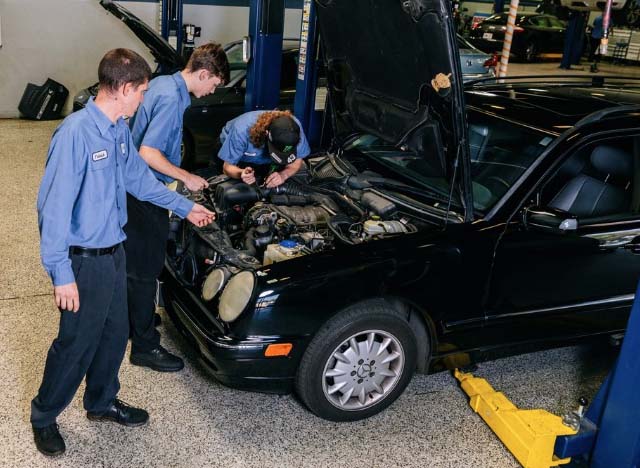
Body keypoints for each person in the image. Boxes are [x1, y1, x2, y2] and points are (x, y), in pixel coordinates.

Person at [31, 48, 215, 457]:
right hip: (83, 261)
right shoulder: (76, 134)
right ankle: (44, 415)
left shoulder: (118, 131)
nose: (144, 100)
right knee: (76, 343)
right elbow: (53, 208)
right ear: (124, 88)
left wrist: (186, 206)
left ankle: (100, 402)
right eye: (142, 92)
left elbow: (138, 180)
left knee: (115, 335)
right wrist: (61, 273)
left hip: (115, 253)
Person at [126, 43, 229, 372]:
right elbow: (149, 153)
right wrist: (188, 177)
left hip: (134, 185)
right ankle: (144, 346)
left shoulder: (163, 83)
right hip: (143, 190)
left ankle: (136, 319)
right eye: (214, 84)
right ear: (203, 73)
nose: (213, 91)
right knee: (147, 265)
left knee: (136, 261)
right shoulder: (171, 99)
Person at [218, 110, 311, 188]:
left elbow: (296, 161)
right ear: (266, 133)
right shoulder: (241, 131)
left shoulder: (293, 129)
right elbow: (227, 168)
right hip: (233, 154)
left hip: (266, 161)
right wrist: (241, 173)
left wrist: (283, 175)